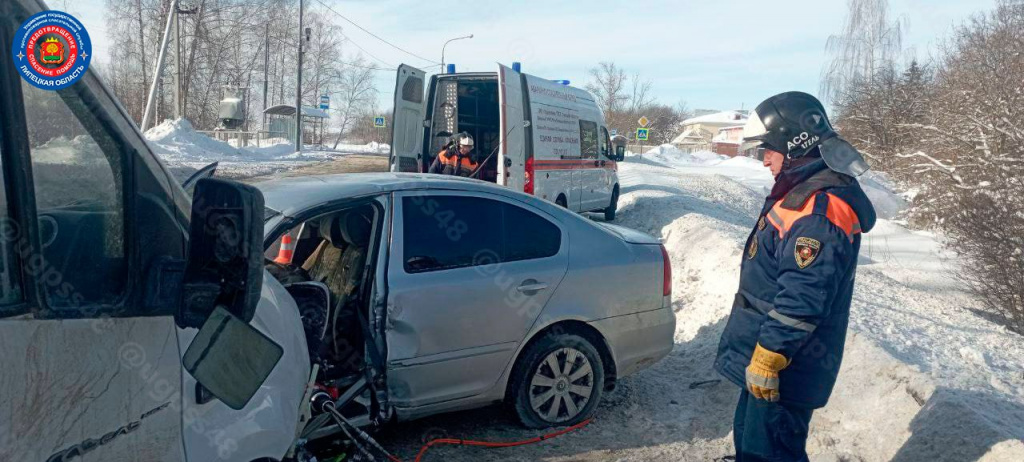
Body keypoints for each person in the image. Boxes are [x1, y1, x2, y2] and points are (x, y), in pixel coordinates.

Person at [714, 91, 877, 461]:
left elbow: (803, 297)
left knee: (772, 451)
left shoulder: (819, 210)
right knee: (752, 444)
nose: (764, 159)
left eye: (767, 149)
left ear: (792, 145)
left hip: (785, 366)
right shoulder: (798, 193)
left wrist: (770, 355)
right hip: (768, 358)